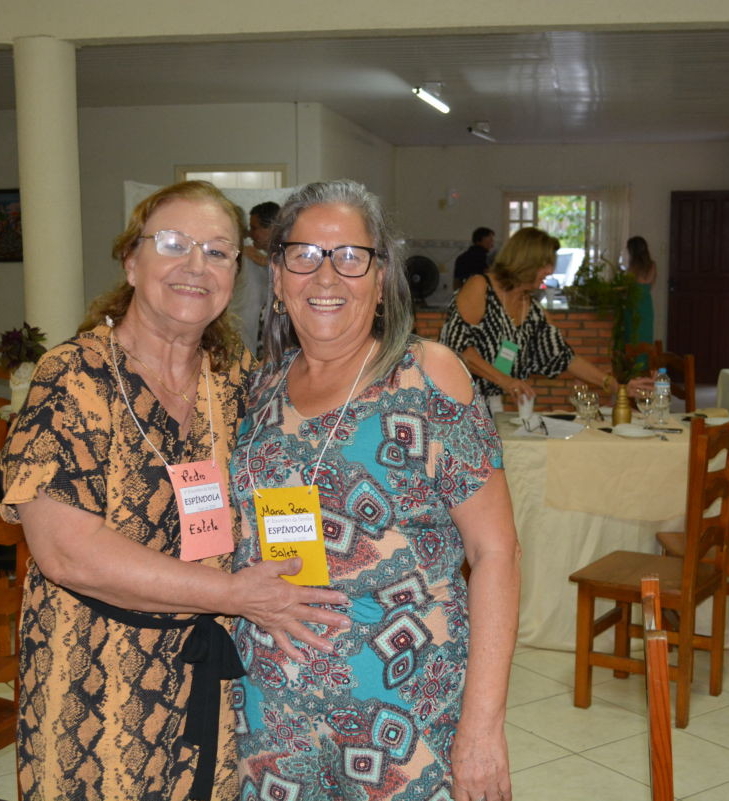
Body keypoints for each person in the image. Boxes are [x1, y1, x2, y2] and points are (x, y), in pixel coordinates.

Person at [0, 181, 349, 801]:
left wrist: (304, 576)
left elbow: (285, 479)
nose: (196, 266)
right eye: (174, 244)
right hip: (94, 681)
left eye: (217, 251)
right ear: (132, 262)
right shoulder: (74, 379)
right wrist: (237, 594)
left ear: (235, 274)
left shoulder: (235, 377)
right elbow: (66, 553)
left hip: (209, 679)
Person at [230, 180, 520, 801]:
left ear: (381, 276)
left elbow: (497, 554)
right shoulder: (258, 394)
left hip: (403, 717)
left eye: (350, 256)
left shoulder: (427, 375)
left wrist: (482, 730)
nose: (327, 276)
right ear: (277, 278)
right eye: (305, 254)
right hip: (273, 717)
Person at [440, 226, 640, 412]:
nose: (550, 271)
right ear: (526, 262)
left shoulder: (533, 310)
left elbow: (565, 358)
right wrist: (507, 381)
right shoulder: (480, 286)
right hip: (454, 402)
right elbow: (458, 351)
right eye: (545, 264)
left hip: (490, 406)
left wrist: (616, 386)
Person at [232, 200, 279, 355]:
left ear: (272, 228)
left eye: (255, 228)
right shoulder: (250, 256)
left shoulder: (282, 256)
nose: (250, 233)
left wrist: (269, 263)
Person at [623, 235, 656, 372]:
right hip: (646, 305)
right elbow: (650, 285)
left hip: (633, 305)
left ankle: (633, 371)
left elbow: (625, 287)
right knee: (644, 338)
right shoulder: (651, 265)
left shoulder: (632, 267)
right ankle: (643, 370)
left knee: (632, 338)